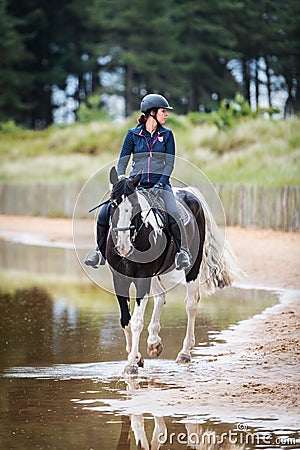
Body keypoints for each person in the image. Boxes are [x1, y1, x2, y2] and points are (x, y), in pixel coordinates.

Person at [84, 93, 191, 270]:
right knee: (104, 213)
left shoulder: (168, 135)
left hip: (160, 184)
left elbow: (170, 163)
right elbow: (122, 162)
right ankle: (99, 252)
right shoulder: (133, 135)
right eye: (163, 111)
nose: (166, 115)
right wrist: (121, 180)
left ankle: (182, 253)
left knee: (173, 212)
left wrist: (161, 183)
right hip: (136, 185)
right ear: (152, 113)